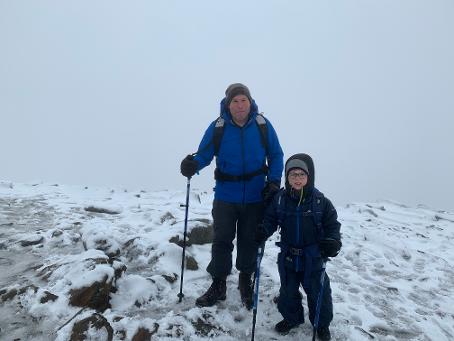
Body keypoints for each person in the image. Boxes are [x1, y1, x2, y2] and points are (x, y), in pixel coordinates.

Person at [180, 83, 284, 309]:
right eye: (235, 101)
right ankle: (218, 285)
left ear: (250, 102)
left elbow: (276, 155)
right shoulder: (218, 127)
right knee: (222, 240)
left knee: (249, 240)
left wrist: (274, 182)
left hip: (257, 195)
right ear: (228, 104)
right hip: (226, 195)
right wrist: (192, 165)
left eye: (243, 100)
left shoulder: (263, 125)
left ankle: (245, 281)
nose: (239, 105)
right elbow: (205, 154)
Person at [255, 153, 341, 340]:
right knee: (288, 291)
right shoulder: (280, 199)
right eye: (293, 175)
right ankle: (292, 318)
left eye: (301, 175)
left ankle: (321, 324)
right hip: (288, 255)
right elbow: (270, 219)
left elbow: (332, 225)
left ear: (309, 177)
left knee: (319, 292)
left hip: (313, 256)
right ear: (287, 177)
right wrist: (263, 230)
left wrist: (333, 241)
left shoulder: (321, 202)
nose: (297, 179)